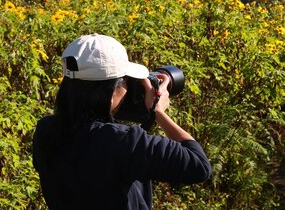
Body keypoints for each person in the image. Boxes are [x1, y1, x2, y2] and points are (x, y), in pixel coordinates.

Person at [33, 34, 211, 210]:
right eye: (126, 82)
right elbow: (199, 166)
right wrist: (158, 112)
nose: (127, 89)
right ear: (111, 92)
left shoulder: (45, 131)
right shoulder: (124, 142)